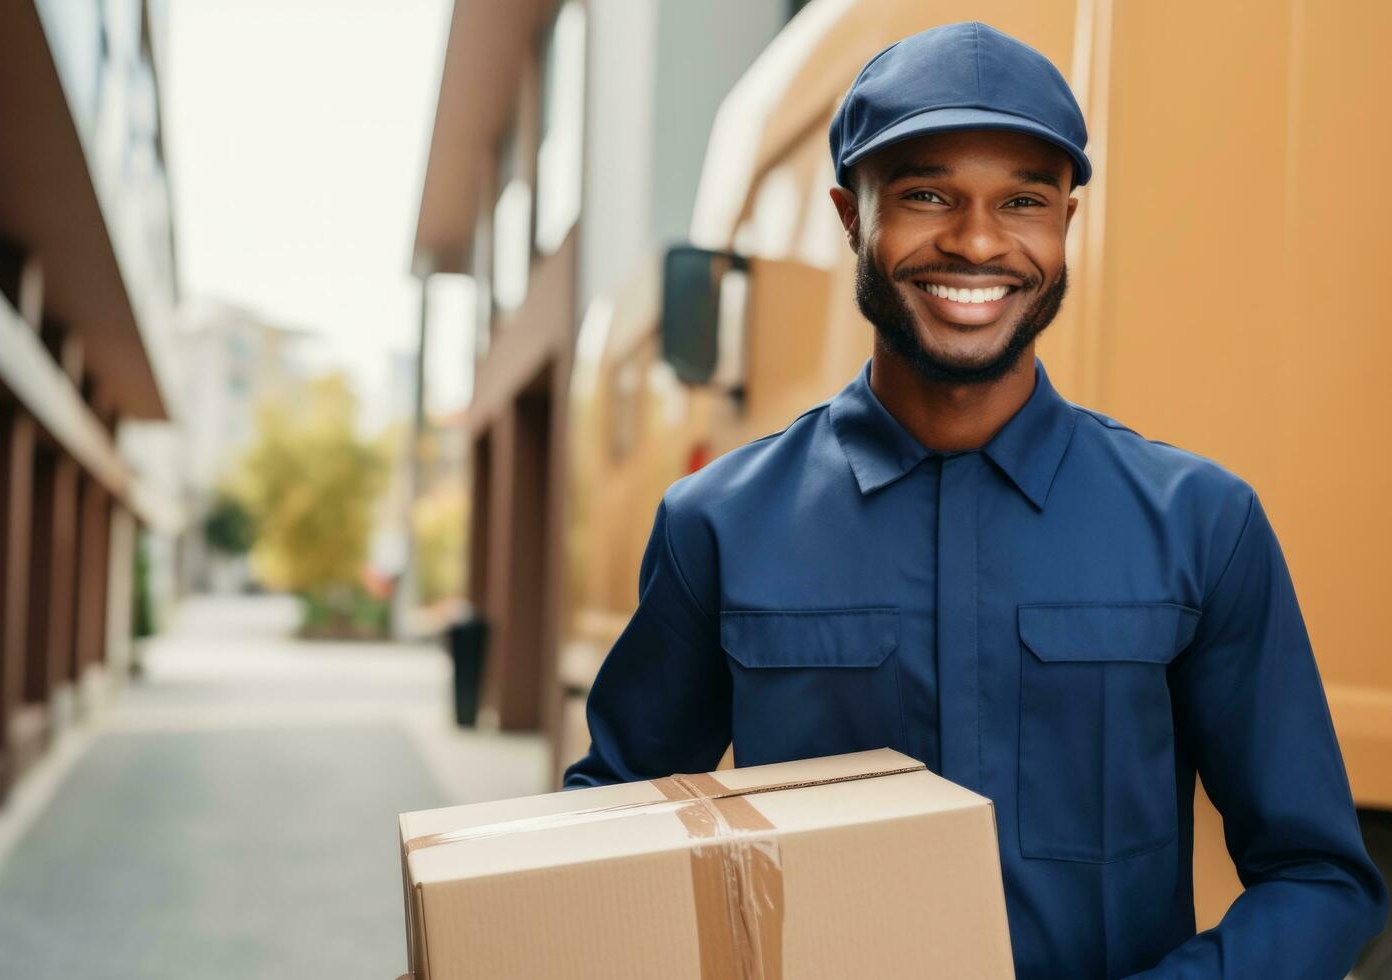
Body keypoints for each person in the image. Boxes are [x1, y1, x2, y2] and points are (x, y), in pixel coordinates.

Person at [563, 20, 1387, 978]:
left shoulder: (1202, 527)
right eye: (926, 195)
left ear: (1066, 225)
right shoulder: (719, 524)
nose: (978, 241)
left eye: (1024, 201)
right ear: (849, 216)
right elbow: (606, 840)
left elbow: (1321, 878)